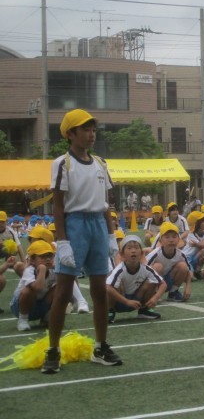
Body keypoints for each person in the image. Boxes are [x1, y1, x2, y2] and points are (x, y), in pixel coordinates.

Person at [44, 109, 122, 374]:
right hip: (74, 225)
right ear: (70, 134)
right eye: (85, 130)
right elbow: (57, 205)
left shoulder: (101, 163)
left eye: (93, 130)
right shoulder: (62, 163)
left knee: (100, 291)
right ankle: (53, 350)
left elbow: (106, 204)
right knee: (63, 293)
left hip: (98, 225)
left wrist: (111, 234)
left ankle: (100, 347)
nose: (91, 135)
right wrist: (62, 241)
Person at [106, 235, 165, 323]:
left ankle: (144, 310)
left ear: (141, 253)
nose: (133, 251)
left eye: (136, 248)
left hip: (137, 301)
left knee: (151, 281)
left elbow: (163, 284)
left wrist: (155, 298)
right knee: (113, 284)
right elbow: (108, 288)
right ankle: (110, 311)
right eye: (129, 248)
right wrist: (126, 301)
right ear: (122, 254)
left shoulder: (145, 269)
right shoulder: (119, 270)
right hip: (119, 302)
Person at [10, 242, 57, 331]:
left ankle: (46, 316)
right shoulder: (29, 271)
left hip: (41, 305)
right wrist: (42, 269)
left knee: (60, 288)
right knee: (28, 290)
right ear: (32, 260)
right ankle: (23, 320)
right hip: (20, 307)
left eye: (50, 256)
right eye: (42, 256)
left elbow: (68, 284)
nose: (48, 259)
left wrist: (59, 269)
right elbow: (38, 288)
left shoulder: (53, 270)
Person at [146, 222, 191, 302]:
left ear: (178, 239)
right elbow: (143, 270)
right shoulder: (155, 254)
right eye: (167, 237)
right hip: (154, 283)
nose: (171, 240)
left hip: (168, 281)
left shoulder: (181, 255)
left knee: (183, 266)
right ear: (160, 240)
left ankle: (173, 292)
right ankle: (154, 293)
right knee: (158, 266)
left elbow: (189, 271)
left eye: (174, 237)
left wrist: (188, 287)